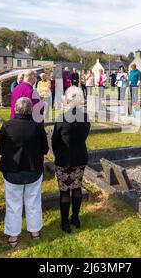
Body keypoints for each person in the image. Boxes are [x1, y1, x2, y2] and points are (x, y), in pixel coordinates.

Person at [0, 97, 49, 247]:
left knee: (14, 203)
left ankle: (14, 235)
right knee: (33, 201)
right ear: (30, 110)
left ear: (16, 109)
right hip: (32, 169)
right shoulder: (37, 127)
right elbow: (45, 149)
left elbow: (0, 149)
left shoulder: (7, 126)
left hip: (13, 170)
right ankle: (34, 232)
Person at [52, 87, 91, 233]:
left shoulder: (62, 118)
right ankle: (75, 218)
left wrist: (58, 155)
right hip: (80, 157)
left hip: (64, 159)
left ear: (68, 100)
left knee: (64, 191)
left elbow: (54, 141)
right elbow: (84, 136)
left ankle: (65, 222)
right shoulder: (85, 117)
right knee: (76, 188)